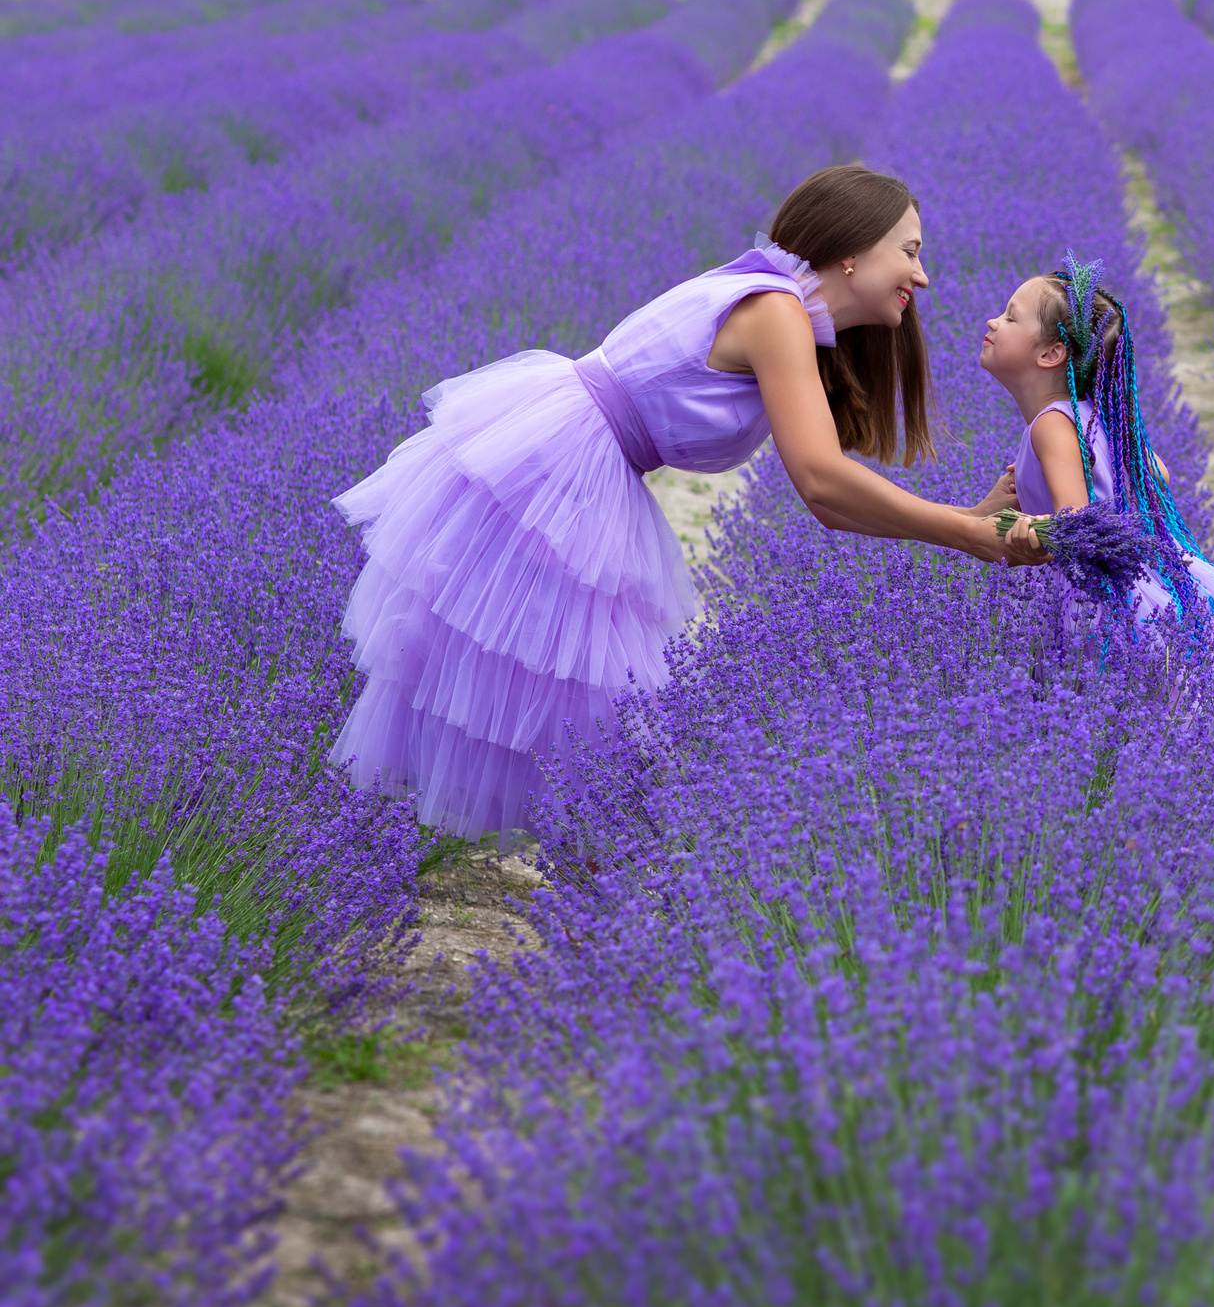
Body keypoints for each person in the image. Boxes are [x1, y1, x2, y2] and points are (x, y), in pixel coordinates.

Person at [332, 164, 1027, 836]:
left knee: (575, 706)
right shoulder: (774, 310)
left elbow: (830, 494)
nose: (923, 275)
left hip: (577, 463)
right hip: (558, 470)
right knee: (583, 709)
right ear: (851, 252)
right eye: (910, 251)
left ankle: (573, 883)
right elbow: (820, 481)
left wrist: (966, 521)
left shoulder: (785, 311)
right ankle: (570, 887)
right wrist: (965, 534)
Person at [979, 257, 1214, 671]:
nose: (993, 321)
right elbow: (1155, 471)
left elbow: (1077, 519)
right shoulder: (1095, 416)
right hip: (1145, 585)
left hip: (1095, 602)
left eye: (1010, 317)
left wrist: (1036, 529)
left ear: (1052, 353)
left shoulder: (1050, 425)